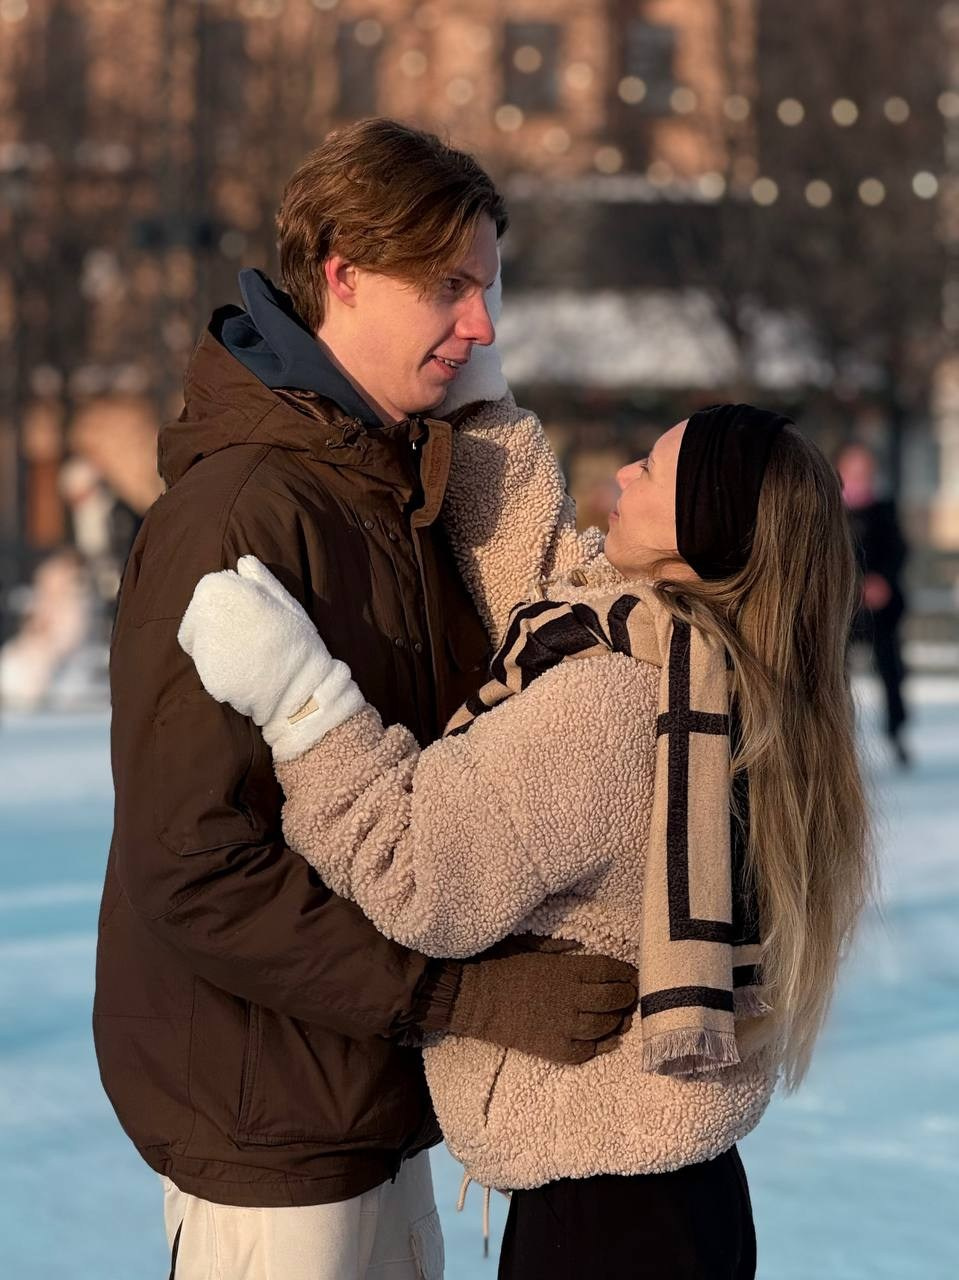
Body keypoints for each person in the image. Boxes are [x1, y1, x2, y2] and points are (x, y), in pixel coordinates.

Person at [94, 118, 638, 1280]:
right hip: (270, 1123)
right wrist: (458, 994)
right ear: (342, 274)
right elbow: (194, 867)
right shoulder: (241, 512)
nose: (482, 326)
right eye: (448, 287)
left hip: (373, 1105)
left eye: (487, 289)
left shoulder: (386, 480)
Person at [180, 394, 874, 1279]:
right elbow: (550, 581)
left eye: (651, 471)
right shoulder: (721, 671)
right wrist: (480, 396)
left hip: (602, 1222)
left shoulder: (612, 707)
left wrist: (298, 695)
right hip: (682, 1192)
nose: (621, 475)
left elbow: (419, 874)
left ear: (699, 537)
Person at [835, 442, 910, 766]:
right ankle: (840, 735)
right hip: (843, 609)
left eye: (865, 468)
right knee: (836, 672)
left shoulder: (884, 509)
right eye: (854, 467)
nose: (860, 474)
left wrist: (882, 581)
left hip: (882, 608)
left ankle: (896, 731)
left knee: (891, 671)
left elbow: (898, 551)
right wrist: (851, 587)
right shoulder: (830, 508)